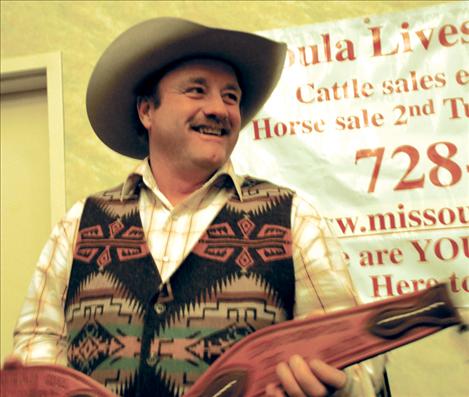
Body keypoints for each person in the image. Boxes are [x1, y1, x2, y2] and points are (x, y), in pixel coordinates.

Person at [5, 18, 385, 397]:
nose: (219, 109)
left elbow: (360, 357)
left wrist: (343, 387)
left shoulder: (294, 218)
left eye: (231, 97)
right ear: (146, 111)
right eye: (197, 91)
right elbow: (39, 339)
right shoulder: (79, 224)